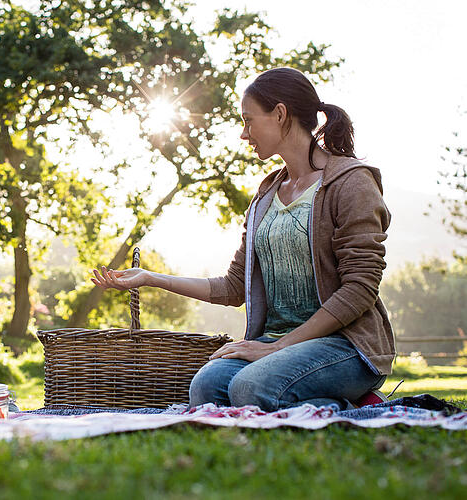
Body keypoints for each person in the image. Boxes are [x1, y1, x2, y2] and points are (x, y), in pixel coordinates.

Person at [92, 67, 395, 412]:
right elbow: (235, 286)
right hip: (277, 343)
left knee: (251, 389)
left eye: (249, 121)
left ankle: (361, 404)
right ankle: (342, 404)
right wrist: (150, 278)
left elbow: (360, 289)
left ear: (280, 114)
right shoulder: (267, 194)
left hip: (344, 346)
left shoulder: (351, 183)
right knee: (206, 387)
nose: (243, 133)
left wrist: (275, 349)